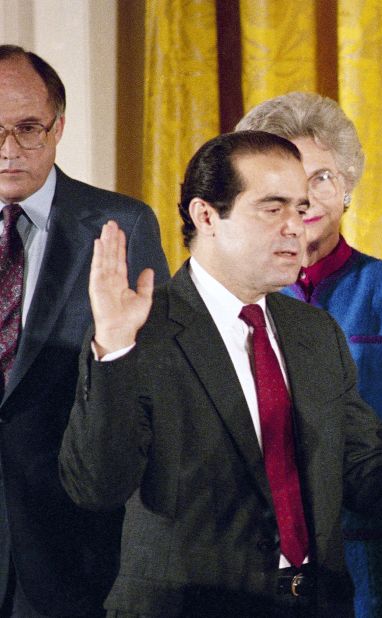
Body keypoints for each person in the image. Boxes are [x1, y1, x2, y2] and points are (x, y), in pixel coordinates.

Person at [57, 130, 382, 616]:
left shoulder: (314, 332)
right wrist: (113, 349)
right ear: (206, 215)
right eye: (272, 208)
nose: (295, 228)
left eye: (300, 209)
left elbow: (362, 468)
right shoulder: (140, 330)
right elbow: (96, 487)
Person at [236, 93, 382, 618]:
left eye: (323, 177)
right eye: (287, 181)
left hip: (365, 561)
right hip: (244, 562)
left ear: (348, 185)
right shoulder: (231, 294)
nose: (304, 198)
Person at [0, 45, 168, 617]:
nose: (8, 150)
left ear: (59, 126)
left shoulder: (120, 225)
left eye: (27, 129)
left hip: (70, 544)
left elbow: (154, 389)